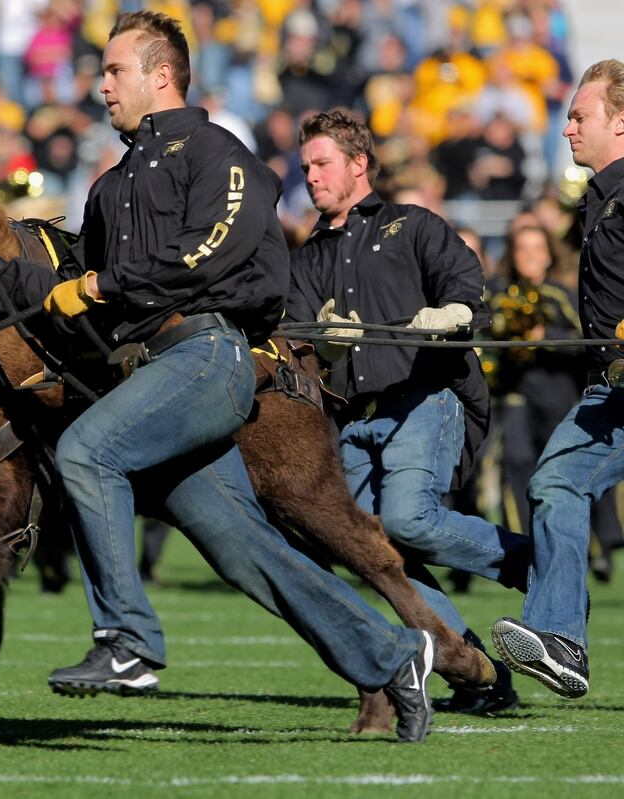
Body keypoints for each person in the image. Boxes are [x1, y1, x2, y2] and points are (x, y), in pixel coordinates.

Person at [0, 12, 436, 743]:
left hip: (212, 357)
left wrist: (100, 286)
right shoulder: (110, 188)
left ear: (160, 76)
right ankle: (394, 656)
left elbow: (211, 255)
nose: (100, 87)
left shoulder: (219, 154)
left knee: (85, 451)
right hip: (154, 377)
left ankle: (127, 638)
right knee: (245, 552)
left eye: (113, 72)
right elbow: (74, 303)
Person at [285, 108, 527, 715]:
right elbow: (300, 338)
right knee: (375, 552)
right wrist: (320, 340)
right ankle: (474, 671)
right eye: (306, 166)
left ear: (359, 164)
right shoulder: (307, 257)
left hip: (426, 393)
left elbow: (467, 288)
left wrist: (453, 314)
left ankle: (536, 563)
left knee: (408, 521)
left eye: (322, 164)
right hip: (353, 417)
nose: (311, 176)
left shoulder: (411, 224)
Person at [492, 60, 624, 699]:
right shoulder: (597, 199)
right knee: (554, 482)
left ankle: (560, 633)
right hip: (610, 390)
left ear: (620, 121)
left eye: (580, 116)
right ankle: (560, 638)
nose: (567, 127)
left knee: (555, 482)